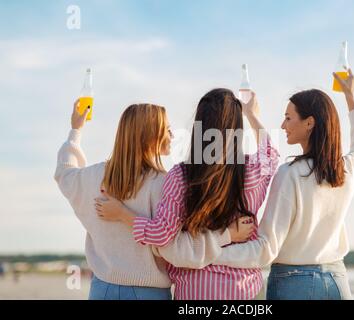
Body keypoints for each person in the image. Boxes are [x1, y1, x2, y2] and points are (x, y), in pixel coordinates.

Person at [95, 88, 280, 300]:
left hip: (193, 291)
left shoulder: (181, 176)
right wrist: (251, 114)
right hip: (242, 290)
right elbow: (271, 153)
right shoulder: (252, 171)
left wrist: (122, 214)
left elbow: (161, 235)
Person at [55, 101, 251, 300]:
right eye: (166, 129)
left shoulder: (93, 177)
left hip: (101, 290)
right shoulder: (166, 184)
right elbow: (178, 249)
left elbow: (64, 173)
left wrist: (76, 130)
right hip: (148, 293)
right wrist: (226, 235)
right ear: (150, 137)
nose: (172, 135)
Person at [210, 69, 354, 300]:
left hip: (295, 284)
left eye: (288, 117)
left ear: (309, 123)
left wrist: (209, 252)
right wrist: (350, 96)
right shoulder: (346, 169)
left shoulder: (290, 175)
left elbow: (265, 250)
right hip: (337, 282)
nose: (283, 125)